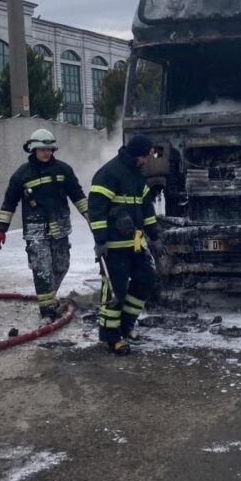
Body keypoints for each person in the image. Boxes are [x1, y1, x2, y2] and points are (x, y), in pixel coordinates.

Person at [0, 128, 89, 319]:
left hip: (60, 229)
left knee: (62, 265)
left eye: (50, 149)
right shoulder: (22, 175)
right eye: (42, 149)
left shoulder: (63, 170)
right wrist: (1, 229)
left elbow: (77, 195)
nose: (47, 153)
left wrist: (90, 217)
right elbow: (9, 203)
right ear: (33, 149)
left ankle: (49, 297)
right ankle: (46, 309)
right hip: (35, 231)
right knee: (42, 268)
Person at [88, 134, 160, 355]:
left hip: (135, 244)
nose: (148, 160)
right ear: (139, 154)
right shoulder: (109, 173)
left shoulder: (137, 176)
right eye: (147, 155)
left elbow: (146, 209)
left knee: (146, 279)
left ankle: (126, 324)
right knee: (114, 291)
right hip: (113, 247)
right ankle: (111, 337)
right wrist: (100, 241)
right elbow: (96, 209)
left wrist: (155, 237)